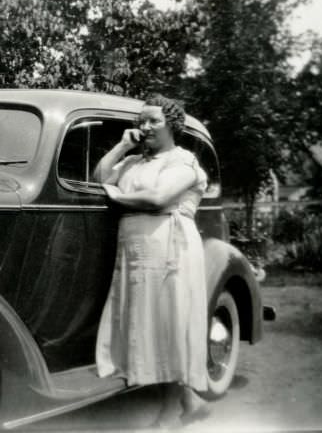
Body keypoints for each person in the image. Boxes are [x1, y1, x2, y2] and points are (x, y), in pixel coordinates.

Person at [94, 94, 209, 427]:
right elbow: (99, 177)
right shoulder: (132, 162)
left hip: (170, 248)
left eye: (153, 120)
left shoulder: (183, 161)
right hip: (137, 250)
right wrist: (120, 147)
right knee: (147, 325)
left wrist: (116, 196)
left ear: (172, 124)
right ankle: (190, 402)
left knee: (167, 324)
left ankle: (170, 411)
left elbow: (158, 197)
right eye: (141, 121)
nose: (145, 127)